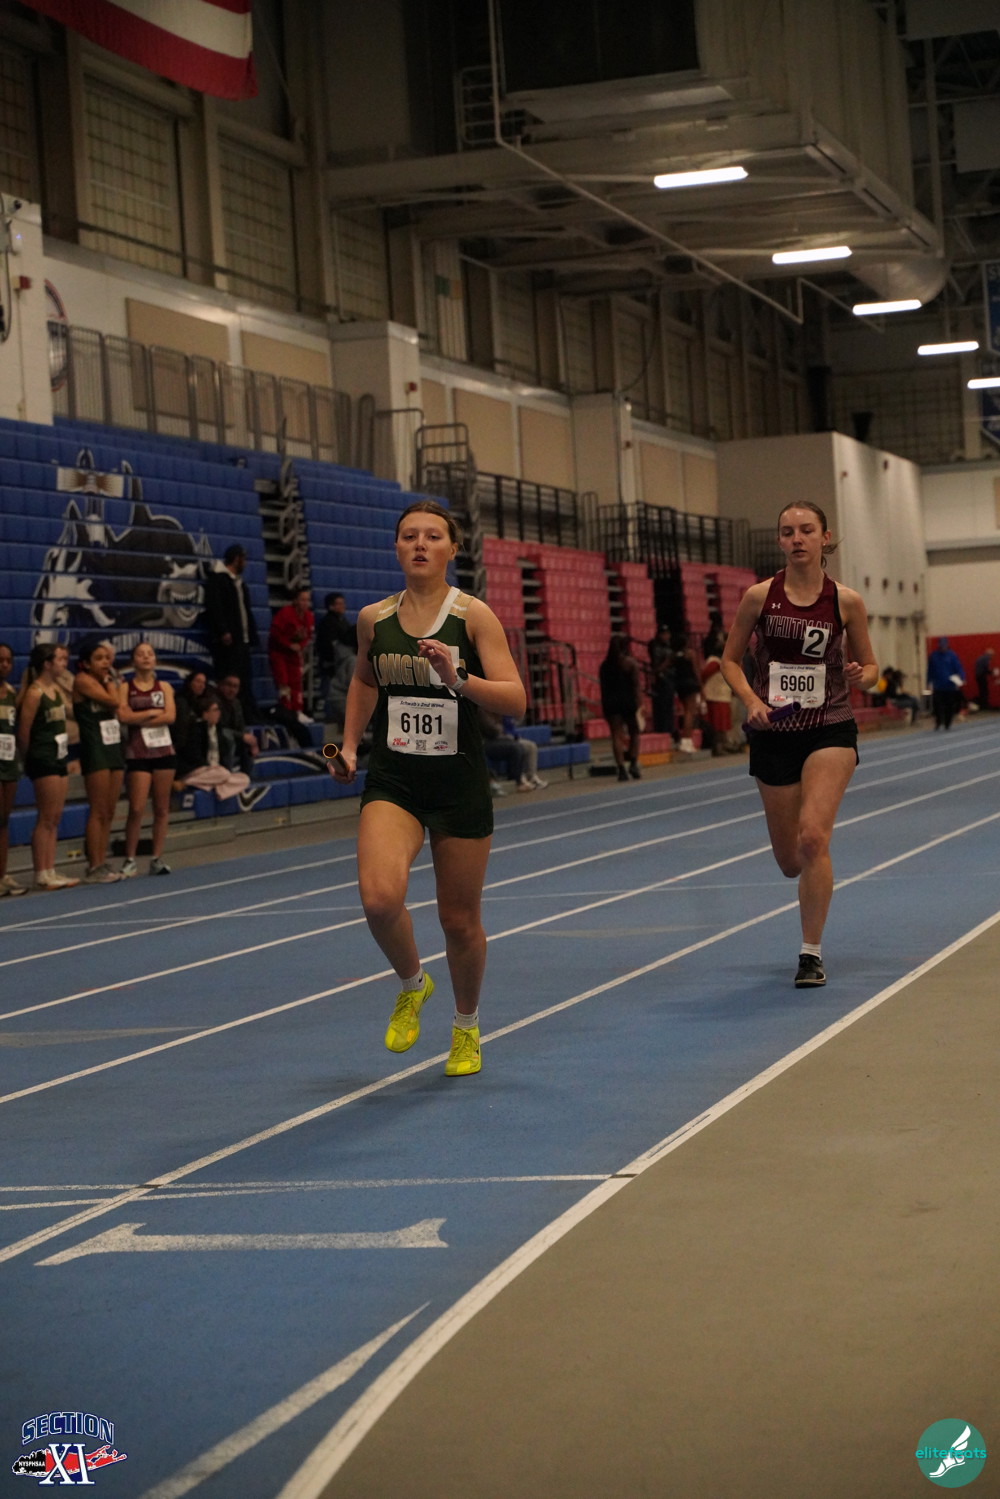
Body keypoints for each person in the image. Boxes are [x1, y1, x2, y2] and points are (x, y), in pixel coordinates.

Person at [328, 499, 526, 1078]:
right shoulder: (374, 618)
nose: (420, 544)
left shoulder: (473, 616)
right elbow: (365, 680)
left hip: (458, 781)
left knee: (458, 921)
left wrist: (457, 678)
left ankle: (466, 1027)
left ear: (452, 549)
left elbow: (515, 700)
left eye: (432, 536)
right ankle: (413, 983)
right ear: (396, 547)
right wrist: (349, 744)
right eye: (409, 535)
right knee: (379, 899)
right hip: (395, 778)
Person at [721, 500, 878, 989]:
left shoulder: (846, 601)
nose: (797, 539)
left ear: (824, 538)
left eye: (806, 530)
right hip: (775, 732)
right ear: (779, 541)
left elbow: (872, 668)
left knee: (813, 837)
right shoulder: (759, 597)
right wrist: (751, 700)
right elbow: (729, 660)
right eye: (788, 532)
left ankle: (811, 953)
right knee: (791, 860)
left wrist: (863, 675)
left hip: (830, 727)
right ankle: (805, 883)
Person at [15, 642, 80, 890]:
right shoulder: (35, 693)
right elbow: (24, 731)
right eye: (60, 660)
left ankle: (50, 868)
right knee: (45, 817)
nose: (64, 664)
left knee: (55, 817)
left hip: (58, 755)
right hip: (42, 758)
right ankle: (41, 871)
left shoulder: (56, 690)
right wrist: (29, 758)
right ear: (47, 664)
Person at [118, 641, 176, 877]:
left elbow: (170, 716)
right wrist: (152, 712)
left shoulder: (164, 687)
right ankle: (130, 859)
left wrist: (138, 718)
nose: (145, 657)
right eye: (140, 654)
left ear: (155, 659)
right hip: (138, 752)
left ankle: (156, 858)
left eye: (150, 654)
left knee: (161, 808)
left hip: (163, 751)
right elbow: (123, 716)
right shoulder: (126, 687)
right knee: (136, 808)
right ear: (133, 660)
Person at [73, 636, 125, 883]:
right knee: (98, 809)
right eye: (99, 659)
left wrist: (109, 683)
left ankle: (102, 860)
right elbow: (114, 702)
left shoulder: (105, 682)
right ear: (86, 663)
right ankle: (93, 865)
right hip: (95, 747)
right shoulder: (83, 681)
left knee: (110, 810)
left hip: (112, 743)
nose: (105, 662)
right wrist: (111, 683)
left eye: (107, 658)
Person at [203, 543, 259, 714]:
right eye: (244, 559)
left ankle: (246, 712)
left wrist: (251, 635)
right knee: (229, 678)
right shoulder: (218, 580)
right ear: (236, 559)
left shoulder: (239, 583)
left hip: (242, 638)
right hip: (229, 641)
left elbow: (246, 611)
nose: (246, 563)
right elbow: (215, 608)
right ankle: (229, 712)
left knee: (244, 678)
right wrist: (223, 631)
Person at [175, 692, 251, 802]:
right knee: (223, 774)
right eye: (215, 710)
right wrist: (209, 767)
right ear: (205, 714)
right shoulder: (195, 729)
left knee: (244, 779)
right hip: (197, 769)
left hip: (213, 771)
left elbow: (222, 754)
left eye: (218, 710)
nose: (218, 713)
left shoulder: (218, 730)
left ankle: (213, 787)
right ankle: (185, 782)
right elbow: (193, 756)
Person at [0, 641, 27, 897]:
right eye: (0, 660)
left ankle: (2, 874)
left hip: (8, 762)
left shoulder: (10, 691)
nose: (5, 665)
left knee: (4, 820)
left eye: (8, 661)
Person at [599, 634, 642, 782]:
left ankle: (621, 769)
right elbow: (636, 686)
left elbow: (603, 688)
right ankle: (634, 763)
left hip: (611, 702)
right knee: (634, 732)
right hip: (627, 701)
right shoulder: (630, 663)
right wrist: (640, 703)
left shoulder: (604, 666)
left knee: (616, 735)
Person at [268, 584, 314, 720]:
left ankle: (297, 710)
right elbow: (275, 633)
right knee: (283, 682)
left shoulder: (308, 616)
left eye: (307, 600)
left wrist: (300, 645)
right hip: (279, 653)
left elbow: (308, 635)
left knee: (296, 682)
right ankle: (286, 710)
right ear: (295, 600)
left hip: (294, 654)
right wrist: (289, 645)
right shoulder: (285, 613)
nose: (305, 603)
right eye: (302, 599)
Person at [478, 707, 547, 793]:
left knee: (531, 746)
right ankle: (518, 779)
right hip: (490, 741)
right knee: (516, 748)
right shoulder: (482, 712)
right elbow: (492, 730)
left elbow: (509, 726)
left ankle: (531, 777)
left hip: (504, 737)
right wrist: (503, 731)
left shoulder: (499, 709)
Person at [316, 592, 358, 730]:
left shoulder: (342, 621)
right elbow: (329, 647)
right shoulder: (328, 623)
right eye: (339, 604)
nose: (343, 606)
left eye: (343, 603)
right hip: (332, 665)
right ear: (331, 606)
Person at [215, 673, 259, 776]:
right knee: (228, 739)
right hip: (217, 739)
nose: (232, 690)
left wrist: (252, 742)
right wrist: (242, 736)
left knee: (247, 744)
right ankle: (227, 776)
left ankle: (246, 777)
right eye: (229, 685)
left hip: (232, 737)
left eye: (235, 687)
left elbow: (241, 726)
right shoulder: (214, 701)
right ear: (221, 686)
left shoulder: (236, 703)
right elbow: (218, 728)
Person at [926, 637, 965, 731]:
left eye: (944, 646)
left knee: (949, 706)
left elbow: (958, 668)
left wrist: (961, 678)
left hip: (950, 686)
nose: (942, 648)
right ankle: (938, 722)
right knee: (937, 705)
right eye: (941, 646)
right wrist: (928, 682)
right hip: (938, 685)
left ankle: (947, 723)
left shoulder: (952, 655)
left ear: (947, 645)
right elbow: (930, 670)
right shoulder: (933, 656)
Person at [672, 632, 701, 754]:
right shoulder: (690, 654)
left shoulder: (674, 655)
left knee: (686, 711)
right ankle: (686, 740)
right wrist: (701, 686)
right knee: (690, 712)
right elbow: (696, 671)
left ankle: (685, 740)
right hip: (690, 684)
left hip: (679, 685)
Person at [647, 624, 676, 735]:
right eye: (664, 634)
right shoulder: (655, 647)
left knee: (669, 706)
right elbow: (656, 667)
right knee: (661, 706)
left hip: (670, 677)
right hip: (661, 679)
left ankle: (669, 728)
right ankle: (662, 728)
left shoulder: (668, 646)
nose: (666, 636)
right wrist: (667, 662)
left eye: (667, 634)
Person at [172, 667, 209, 746]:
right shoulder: (181, 701)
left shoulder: (201, 702)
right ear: (189, 682)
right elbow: (182, 727)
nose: (202, 686)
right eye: (198, 681)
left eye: (204, 683)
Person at [974, 646, 996, 712]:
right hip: (982, 676)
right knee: (985, 691)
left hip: (978, 676)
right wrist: (992, 672)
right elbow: (986, 669)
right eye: (992, 655)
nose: (992, 657)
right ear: (990, 654)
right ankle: (984, 705)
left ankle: (982, 705)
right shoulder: (986, 659)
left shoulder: (980, 658)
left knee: (982, 691)